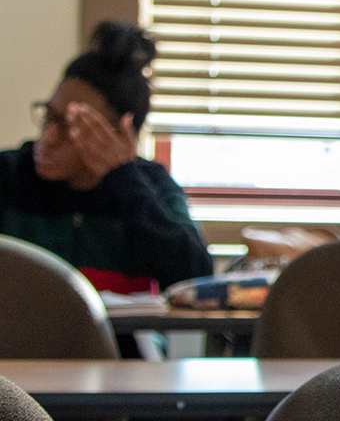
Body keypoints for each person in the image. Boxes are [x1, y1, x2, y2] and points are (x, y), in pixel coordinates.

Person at [0, 21, 212, 294]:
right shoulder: (8, 174)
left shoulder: (150, 187)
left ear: (120, 135)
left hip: (119, 337)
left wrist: (125, 181)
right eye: (49, 116)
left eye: (70, 125)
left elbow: (196, 278)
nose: (48, 138)